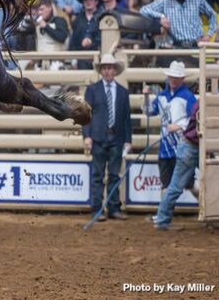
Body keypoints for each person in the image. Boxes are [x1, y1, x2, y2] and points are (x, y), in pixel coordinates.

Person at [83, 54, 131, 221]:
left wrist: (128, 139)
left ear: (114, 70)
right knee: (97, 175)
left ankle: (113, 208)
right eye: (104, 68)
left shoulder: (123, 92)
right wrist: (87, 136)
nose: (107, 71)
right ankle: (96, 208)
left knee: (114, 175)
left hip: (117, 138)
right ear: (101, 71)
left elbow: (126, 118)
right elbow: (85, 114)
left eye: (110, 68)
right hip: (98, 138)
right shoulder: (92, 90)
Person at [143, 61, 196, 200]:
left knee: (189, 183)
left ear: (182, 79)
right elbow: (149, 111)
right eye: (171, 76)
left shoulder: (187, 96)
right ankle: (164, 211)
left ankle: (204, 206)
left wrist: (179, 126)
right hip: (166, 148)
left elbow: (195, 118)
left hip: (182, 146)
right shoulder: (162, 96)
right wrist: (146, 97)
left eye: (176, 77)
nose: (173, 79)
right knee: (166, 184)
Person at [140, 0, 217, 52]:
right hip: (176, 47)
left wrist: (208, 35)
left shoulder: (198, 0)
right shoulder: (165, 1)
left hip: (196, 46)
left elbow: (213, 15)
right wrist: (161, 17)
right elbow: (144, 10)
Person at [154, 100, 200, 230]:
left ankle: (162, 219)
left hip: (191, 145)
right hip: (192, 146)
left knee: (175, 186)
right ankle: (162, 220)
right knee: (176, 186)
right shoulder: (207, 103)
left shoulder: (201, 102)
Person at [68, 0, 101, 69]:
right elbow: (73, 41)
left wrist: (91, 43)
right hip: (80, 58)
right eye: (85, 0)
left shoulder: (102, 18)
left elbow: (103, 38)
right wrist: (73, 60)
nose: (88, 2)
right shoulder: (78, 20)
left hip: (99, 56)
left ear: (96, 1)